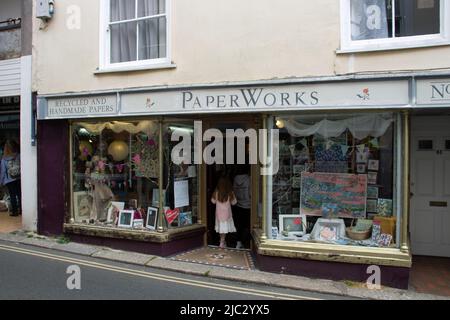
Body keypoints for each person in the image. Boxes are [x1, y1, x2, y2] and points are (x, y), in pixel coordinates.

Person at [211, 176, 237, 248]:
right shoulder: (230, 193)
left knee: (221, 228)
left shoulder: (216, 192)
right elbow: (234, 202)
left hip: (219, 214)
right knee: (224, 228)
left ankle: (222, 241)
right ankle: (222, 242)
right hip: (227, 214)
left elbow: (212, 201)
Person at [0, 140, 21, 217]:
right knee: (19, 194)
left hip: (9, 180)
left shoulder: (4, 159)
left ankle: (14, 212)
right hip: (18, 177)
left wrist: (1, 182)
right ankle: (21, 210)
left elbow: (3, 172)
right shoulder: (18, 155)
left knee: (12, 195)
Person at [233, 165, 251, 249]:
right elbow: (251, 192)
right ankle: (247, 242)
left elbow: (234, 191)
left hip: (238, 204)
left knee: (239, 225)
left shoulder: (236, 178)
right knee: (247, 225)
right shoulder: (249, 179)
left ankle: (238, 242)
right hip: (247, 205)